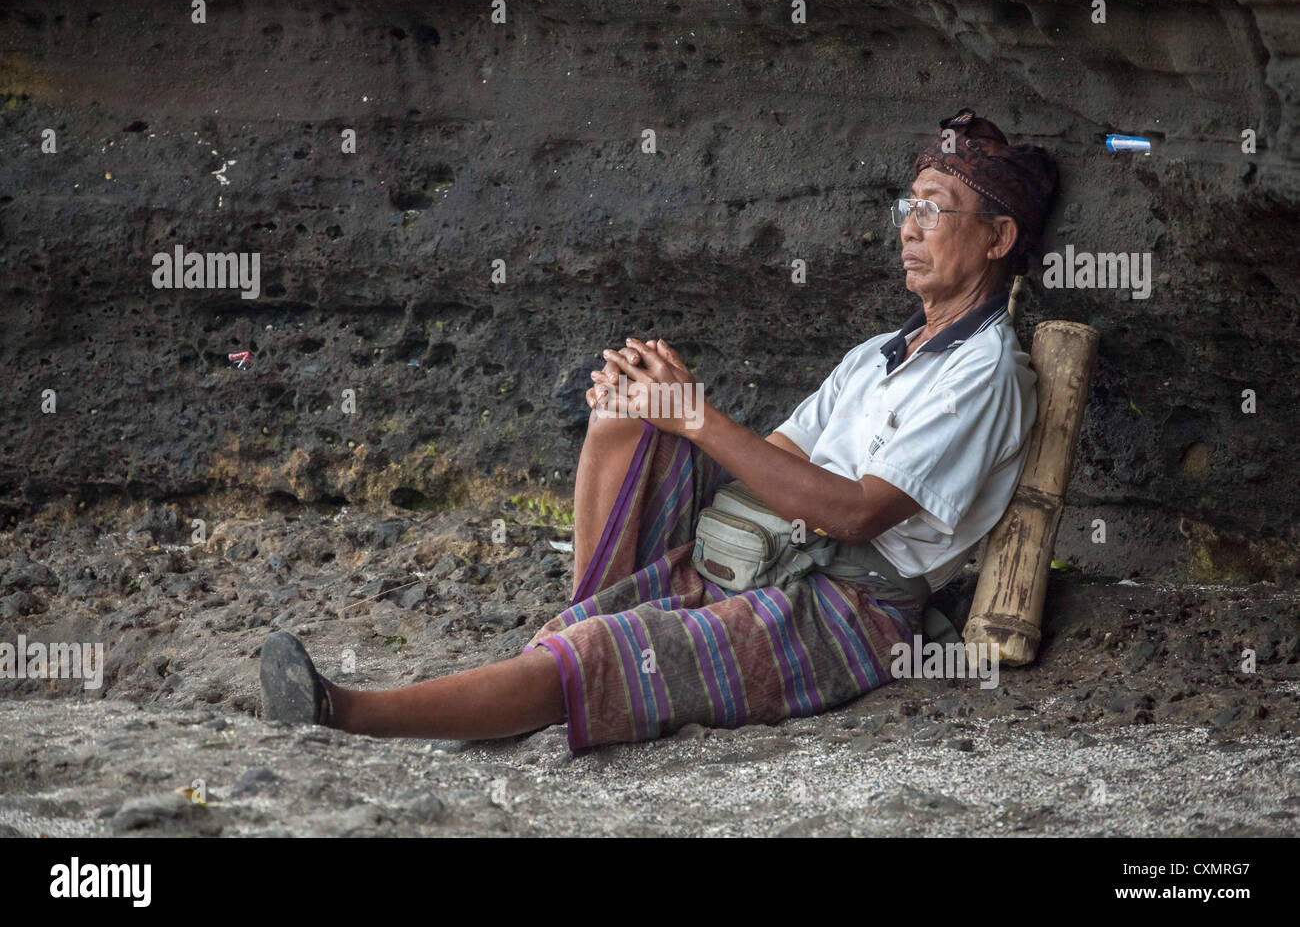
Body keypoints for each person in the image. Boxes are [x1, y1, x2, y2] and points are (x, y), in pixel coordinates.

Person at [259, 107, 1059, 752]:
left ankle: (341, 708)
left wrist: (697, 413)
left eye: (935, 211)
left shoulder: (982, 372)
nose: (910, 229)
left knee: (595, 658)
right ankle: (588, 618)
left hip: (847, 606)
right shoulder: (879, 355)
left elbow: (855, 514)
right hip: (761, 546)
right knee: (623, 423)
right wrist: (663, 405)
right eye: (906, 208)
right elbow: (776, 459)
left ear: (998, 238)